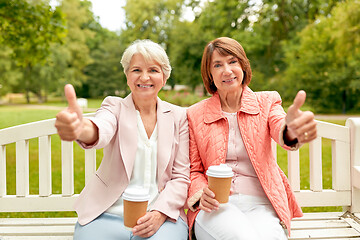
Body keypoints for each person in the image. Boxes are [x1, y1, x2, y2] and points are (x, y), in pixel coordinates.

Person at [55, 39, 190, 240]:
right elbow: (101, 128)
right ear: (127, 76)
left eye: (153, 70)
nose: (144, 77)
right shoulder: (114, 106)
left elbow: (181, 177)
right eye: (136, 70)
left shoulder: (179, 117)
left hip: (161, 215)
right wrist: (82, 129)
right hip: (107, 214)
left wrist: (159, 214)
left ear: (164, 76)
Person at [186, 37, 317, 240]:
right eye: (217, 65)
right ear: (209, 75)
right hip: (216, 206)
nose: (227, 70)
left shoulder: (267, 101)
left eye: (232, 62)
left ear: (243, 66)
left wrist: (291, 130)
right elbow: (194, 169)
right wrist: (200, 192)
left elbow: (280, 126)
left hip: (261, 204)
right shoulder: (195, 114)